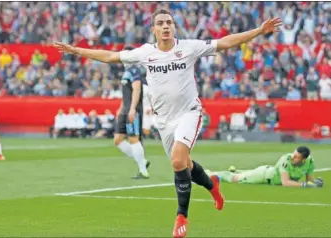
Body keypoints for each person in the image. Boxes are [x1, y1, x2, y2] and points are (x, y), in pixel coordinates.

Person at [54, 9, 282, 238]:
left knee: (176, 161)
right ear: (153, 29)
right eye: (160, 23)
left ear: (174, 27)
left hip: (189, 113)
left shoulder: (189, 48)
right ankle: (212, 185)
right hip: (164, 122)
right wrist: (76, 50)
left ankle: (181, 216)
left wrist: (259, 31)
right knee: (185, 165)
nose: (165, 26)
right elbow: (110, 56)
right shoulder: (146, 53)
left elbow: (224, 43)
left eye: (169, 23)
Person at [207, 146, 323, 188]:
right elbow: (285, 182)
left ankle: (235, 170)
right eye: (294, 155)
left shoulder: (310, 162)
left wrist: (315, 182)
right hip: (264, 176)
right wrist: (304, 185)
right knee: (235, 178)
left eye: (296, 157)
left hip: (267, 171)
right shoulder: (286, 160)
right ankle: (208, 173)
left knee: (240, 173)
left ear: (303, 159)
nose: (293, 157)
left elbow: (309, 180)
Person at [114, 49, 150, 179]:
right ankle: (143, 161)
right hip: (125, 110)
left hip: (132, 110)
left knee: (133, 139)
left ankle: (143, 170)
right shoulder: (126, 72)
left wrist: (133, 108)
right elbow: (126, 94)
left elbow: (136, 89)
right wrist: (121, 108)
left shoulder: (135, 71)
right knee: (118, 140)